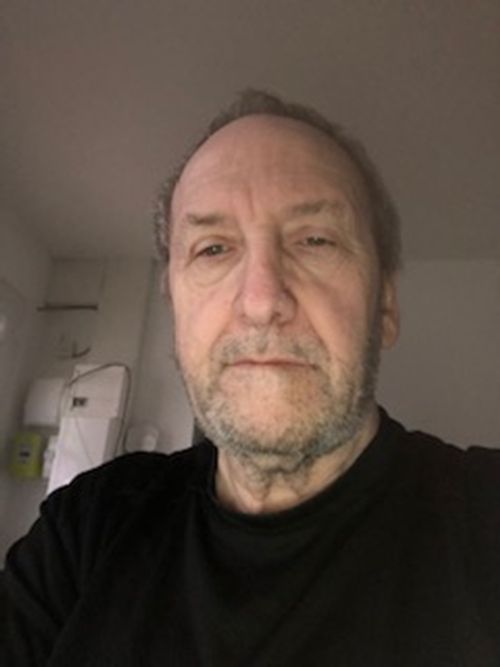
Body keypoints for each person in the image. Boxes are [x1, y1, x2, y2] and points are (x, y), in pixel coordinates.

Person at [2, 90, 500, 666]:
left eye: (315, 240)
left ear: (384, 305)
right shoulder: (88, 524)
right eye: (213, 249)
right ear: (175, 308)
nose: (262, 301)